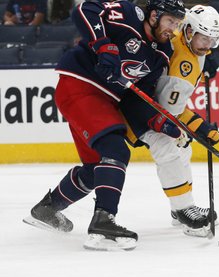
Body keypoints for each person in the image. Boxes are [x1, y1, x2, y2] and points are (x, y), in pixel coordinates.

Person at [23, 0, 187, 251]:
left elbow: (135, 99)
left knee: (94, 170)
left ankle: (47, 209)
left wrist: (158, 120)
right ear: (154, 15)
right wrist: (104, 45)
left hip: (104, 100)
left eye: (177, 24)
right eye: (170, 21)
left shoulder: (161, 54)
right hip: (80, 86)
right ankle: (103, 220)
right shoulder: (130, 13)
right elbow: (85, 9)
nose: (172, 29)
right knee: (116, 150)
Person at [121, 4, 219, 238]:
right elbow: (168, 111)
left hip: (144, 101)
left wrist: (205, 60)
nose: (207, 46)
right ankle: (184, 210)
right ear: (189, 32)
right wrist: (200, 126)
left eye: (212, 40)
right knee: (169, 149)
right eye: (204, 38)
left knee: (183, 148)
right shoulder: (182, 69)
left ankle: (181, 208)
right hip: (137, 109)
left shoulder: (177, 31)